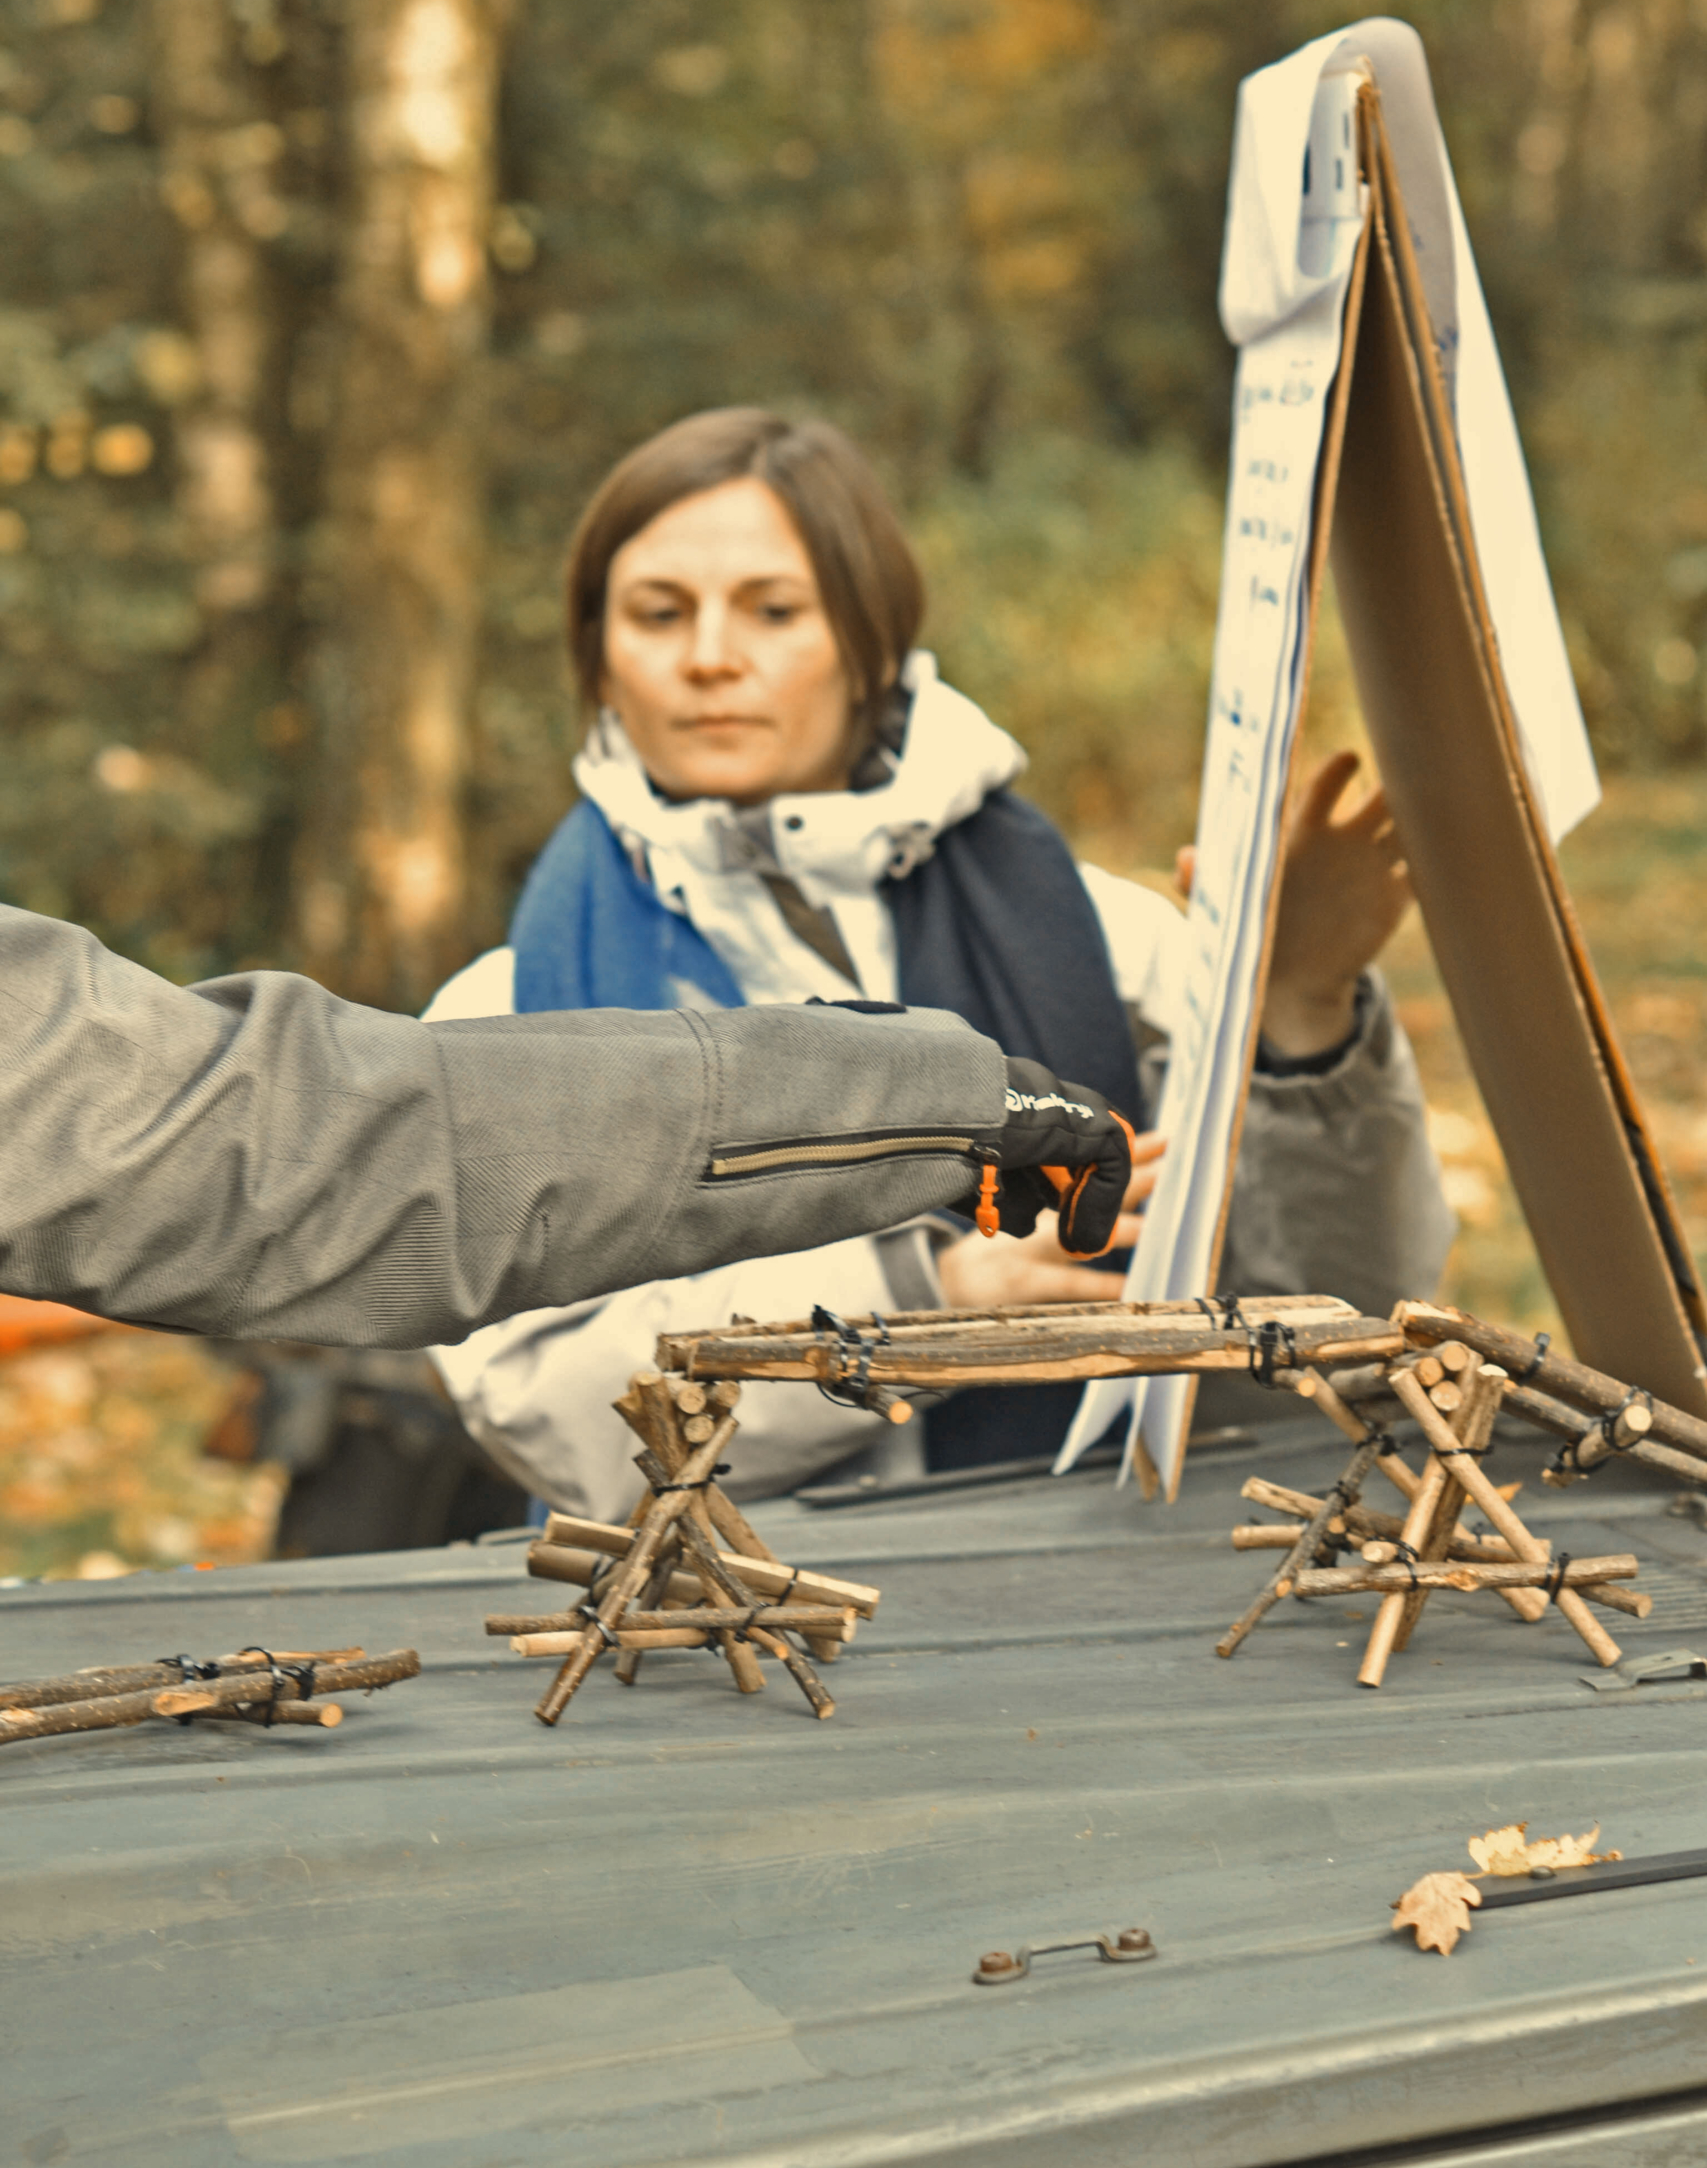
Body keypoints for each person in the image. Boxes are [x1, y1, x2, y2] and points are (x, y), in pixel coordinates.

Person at [428, 408, 1454, 1515]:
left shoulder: (1111, 945)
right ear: (599, 656)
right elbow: (546, 1415)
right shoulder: (505, 1016)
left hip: (1110, 1613)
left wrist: (1302, 1014)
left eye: (774, 610)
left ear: (872, 644)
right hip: (712, 1644)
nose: (710, 656)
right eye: (657, 613)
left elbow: (1349, 1313)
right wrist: (915, 1305)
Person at [0, 900, 1126, 1346]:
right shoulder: (543, 941)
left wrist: (920, 1104)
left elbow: (309, 1157)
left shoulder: (1057, 906)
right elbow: (323, 1164)